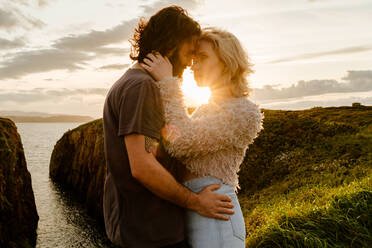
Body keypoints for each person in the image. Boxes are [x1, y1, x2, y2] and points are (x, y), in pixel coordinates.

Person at [102, 7, 234, 248]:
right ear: (172, 45)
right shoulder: (141, 88)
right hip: (151, 235)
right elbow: (143, 166)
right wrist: (196, 202)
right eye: (190, 52)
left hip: (139, 230)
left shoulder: (131, 82)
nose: (190, 62)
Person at [141, 27, 265, 247]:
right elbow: (172, 140)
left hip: (218, 217)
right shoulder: (205, 110)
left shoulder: (245, 113)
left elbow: (182, 142)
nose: (194, 66)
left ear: (227, 62)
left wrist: (168, 83)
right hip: (200, 209)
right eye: (194, 59)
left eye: (203, 58)